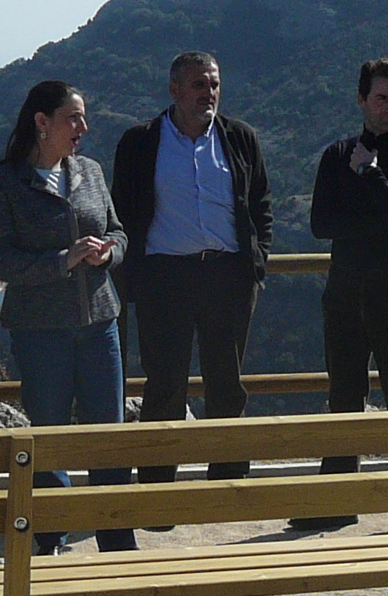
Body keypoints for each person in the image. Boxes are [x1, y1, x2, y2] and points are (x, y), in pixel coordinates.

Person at [0, 80, 134, 555]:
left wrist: (107, 256)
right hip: (39, 329)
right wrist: (61, 261)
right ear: (41, 123)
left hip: (99, 322)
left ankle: (114, 530)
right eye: (73, 117)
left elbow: (118, 232)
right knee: (47, 430)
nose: (83, 128)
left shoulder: (89, 171)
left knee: (106, 430)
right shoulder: (5, 182)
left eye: (83, 118)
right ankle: (50, 532)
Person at [292, 56, 388, 534]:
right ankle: (337, 501)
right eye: (382, 98)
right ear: (361, 100)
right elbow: (321, 225)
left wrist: (372, 179)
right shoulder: (337, 155)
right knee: (343, 396)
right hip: (345, 289)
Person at [113, 51, 273, 483]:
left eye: (215, 84)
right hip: (164, 278)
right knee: (165, 384)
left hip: (229, 277)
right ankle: (157, 487)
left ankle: (228, 482)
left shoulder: (240, 138)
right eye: (200, 85)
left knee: (227, 383)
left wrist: (257, 261)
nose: (210, 93)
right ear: (175, 90)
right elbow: (123, 211)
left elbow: (260, 204)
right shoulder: (140, 142)